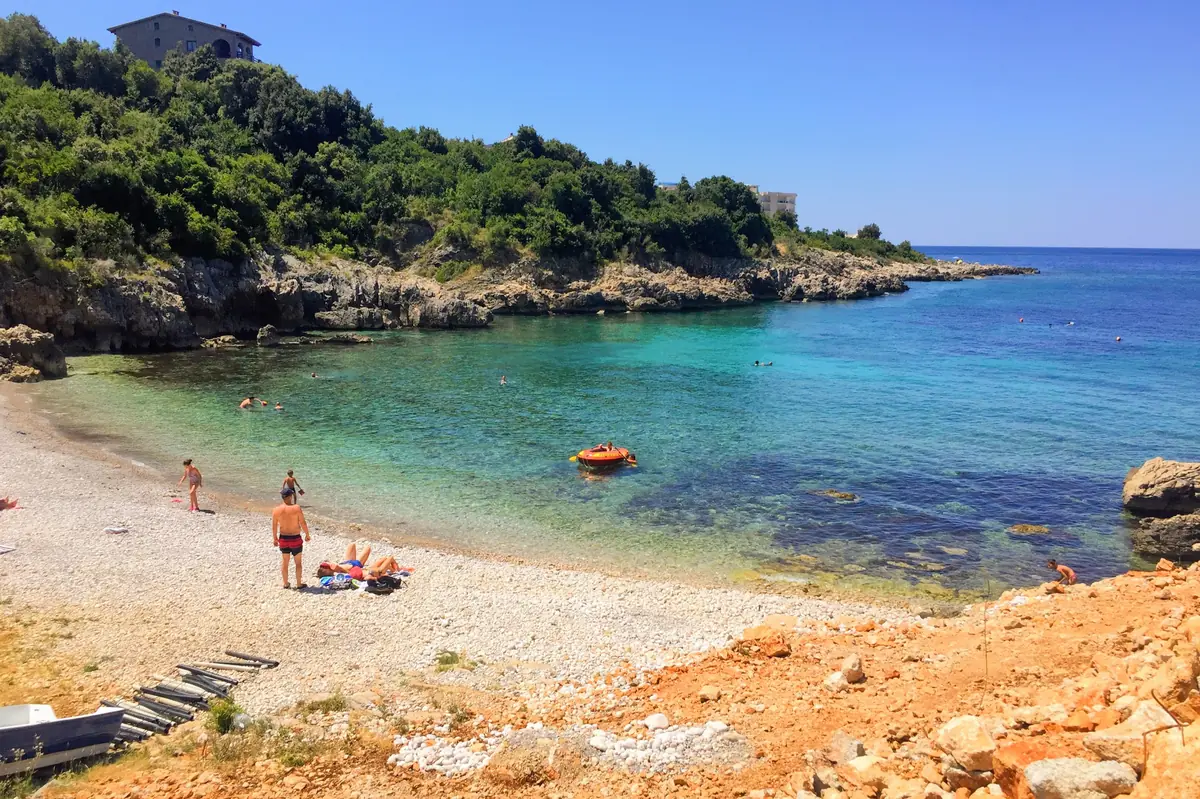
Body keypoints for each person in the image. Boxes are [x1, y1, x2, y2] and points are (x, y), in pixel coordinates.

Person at [273, 487, 310, 588]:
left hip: (283, 538)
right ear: (290, 496)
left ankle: (285, 583)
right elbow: (302, 522)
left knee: (285, 561)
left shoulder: (276, 510)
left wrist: (275, 538)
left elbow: (274, 525)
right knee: (298, 562)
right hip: (295, 538)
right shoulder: (296, 508)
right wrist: (307, 534)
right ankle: (298, 583)